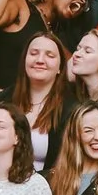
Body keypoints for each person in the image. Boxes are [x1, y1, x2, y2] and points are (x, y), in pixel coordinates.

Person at [12, 32, 71, 171]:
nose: (40, 60)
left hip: (49, 188)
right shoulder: (4, 100)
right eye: (33, 53)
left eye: (49, 55)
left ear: (60, 67)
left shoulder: (71, 109)